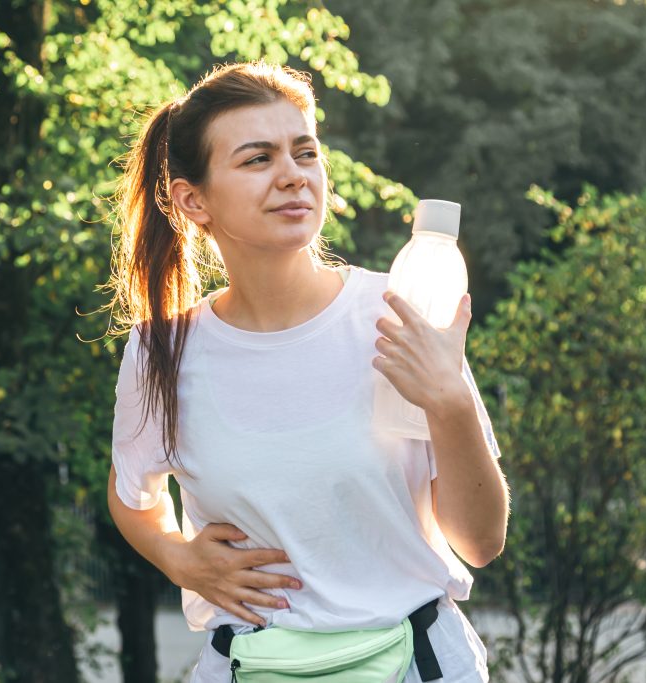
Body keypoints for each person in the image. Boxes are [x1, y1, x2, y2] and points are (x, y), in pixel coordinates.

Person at [104, 61, 509, 682]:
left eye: (305, 153)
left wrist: (451, 402)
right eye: (257, 159)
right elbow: (133, 491)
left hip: (418, 664)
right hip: (247, 665)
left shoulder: (399, 312)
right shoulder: (162, 350)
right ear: (193, 199)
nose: (293, 176)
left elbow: (480, 543)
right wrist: (178, 557)